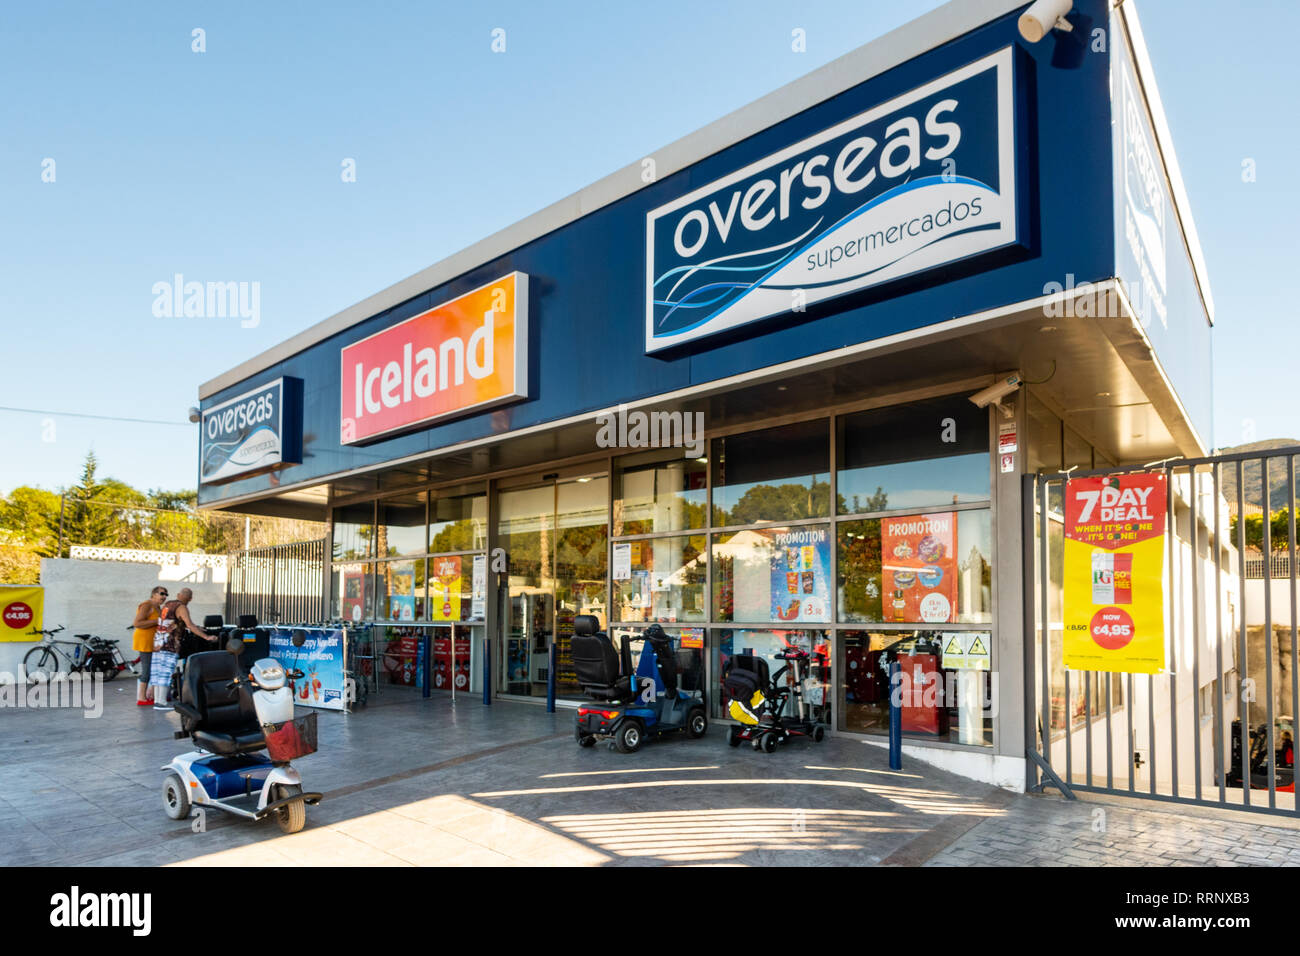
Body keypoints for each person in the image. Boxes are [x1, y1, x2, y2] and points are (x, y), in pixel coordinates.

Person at [150, 588, 216, 710]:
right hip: (170, 644)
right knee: (166, 673)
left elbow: (178, 623)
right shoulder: (181, 607)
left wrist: (198, 628)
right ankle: (161, 703)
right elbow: (189, 624)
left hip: (158, 642)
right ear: (190, 598)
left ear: (178, 595)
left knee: (158, 673)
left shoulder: (168, 604)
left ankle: (158, 701)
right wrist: (206, 637)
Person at [131, 586, 168, 706]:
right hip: (145, 641)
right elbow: (137, 623)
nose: (164, 596)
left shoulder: (158, 607)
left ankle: (149, 695)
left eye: (166, 594)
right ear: (154, 594)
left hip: (153, 642)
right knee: (147, 670)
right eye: (162, 593)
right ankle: (141, 698)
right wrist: (157, 621)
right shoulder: (147, 605)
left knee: (153, 669)